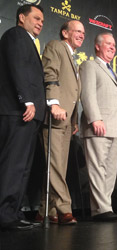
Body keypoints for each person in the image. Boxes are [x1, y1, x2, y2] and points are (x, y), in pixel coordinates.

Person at [0, 4, 45, 230]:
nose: (40, 22)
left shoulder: (28, 40)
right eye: (36, 18)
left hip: (30, 114)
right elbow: (17, 68)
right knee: (13, 165)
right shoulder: (16, 35)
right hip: (19, 111)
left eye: (42, 21)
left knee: (23, 167)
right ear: (21, 17)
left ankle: (13, 213)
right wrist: (26, 99)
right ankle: (5, 215)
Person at [35, 20, 85, 225]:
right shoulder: (56, 46)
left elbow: (72, 92)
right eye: (78, 31)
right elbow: (50, 74)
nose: (82, 35)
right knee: (55, 164)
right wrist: (53, 104)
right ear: (65, 32)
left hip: (66, 120)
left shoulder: (73, 58)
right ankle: (65, 208)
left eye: (84, 32)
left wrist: (74, 120)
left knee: (57, 167)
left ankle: (45, 210)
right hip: (55, 116)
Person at [79, 32, 117, 221]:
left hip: (114, 129)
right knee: (97, 167)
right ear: (97, 46)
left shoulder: (113, 71)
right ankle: (100, 210)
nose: (113, 47)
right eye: (108, 43)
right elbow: (88, 94)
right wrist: (95, 119)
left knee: (110, 170)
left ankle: (106, 208)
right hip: (98, 125)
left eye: (114, 44)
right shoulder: (90, 65)